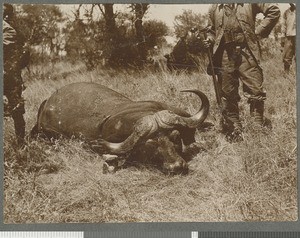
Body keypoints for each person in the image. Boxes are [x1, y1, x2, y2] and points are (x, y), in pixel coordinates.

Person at [203, 3, 280, 141]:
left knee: (255, 89)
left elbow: (273, 10)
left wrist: (258, 32)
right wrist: (209, 39)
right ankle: (234, 128)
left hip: (247, 51)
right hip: (225, 53)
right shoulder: (215, 7)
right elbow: (211, 31)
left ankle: (257, 127)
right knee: (227, 91)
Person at [3, 3, 27, 145]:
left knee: (17, 111)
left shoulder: (9, 30)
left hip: (10, 77)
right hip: (10, 76)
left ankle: (21, 144)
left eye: (7, 13)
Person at [281, 3, 296, 73]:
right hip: (289, 36)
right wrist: (282, 37)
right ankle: (286, 74)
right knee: (287, 56)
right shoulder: (286, 12)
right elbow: (283, 25)